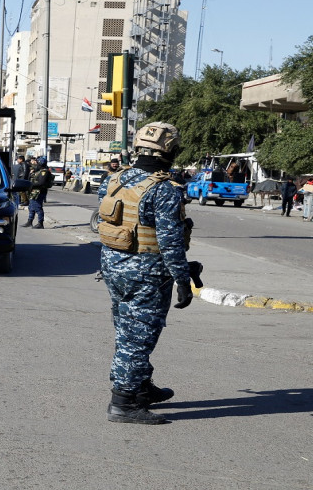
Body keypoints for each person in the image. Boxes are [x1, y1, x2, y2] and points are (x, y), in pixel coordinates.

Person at [98, 122, 193, 424]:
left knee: (128, 331)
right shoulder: (164, 189)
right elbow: (170, 242)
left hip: (113, 266)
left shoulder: (114, 179)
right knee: (138, 337)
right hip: (147, 273)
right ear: (171, 150)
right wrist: (183, 278)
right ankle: (123, 403)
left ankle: (140, 387)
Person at [24, 157, 52, 229]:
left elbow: (41, 183)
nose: (36, 164)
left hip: (39, 192)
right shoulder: (38, 171)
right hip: (34, 191)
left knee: (37, 207)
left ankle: (40, 223)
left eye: (37, 163)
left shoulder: (44, 172)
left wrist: (31, 185)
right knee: (31, 207)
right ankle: (30, 221)